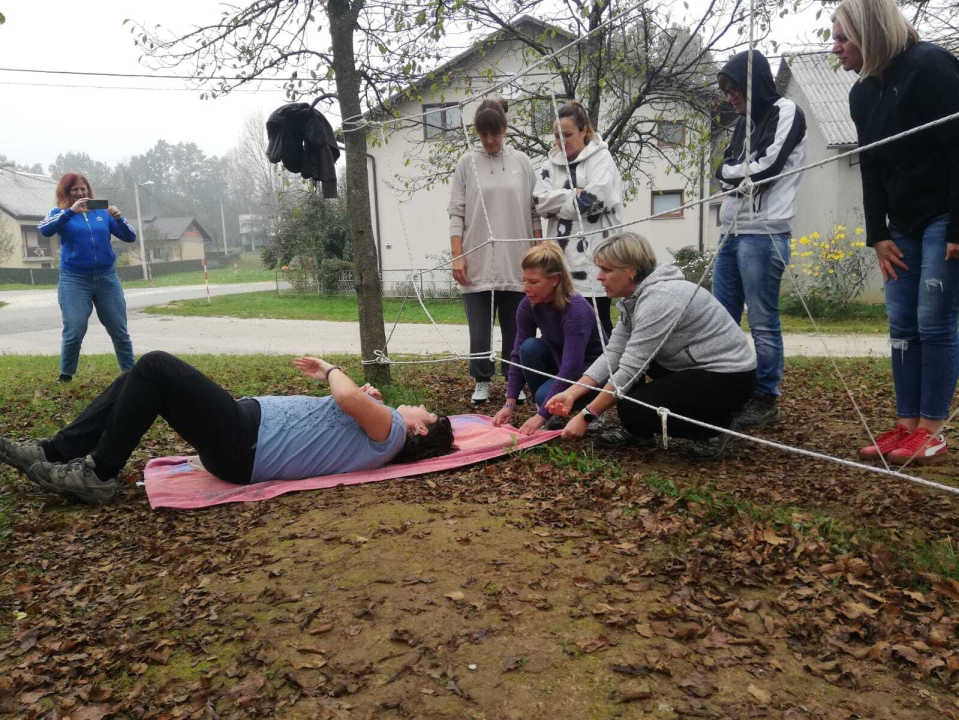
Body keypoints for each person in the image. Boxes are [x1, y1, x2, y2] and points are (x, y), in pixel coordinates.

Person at [0, 351, 455, 505]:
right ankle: (56, 451)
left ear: (419, 432)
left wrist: (333, 371)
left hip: (245, 441)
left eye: (426, 412)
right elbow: (346, 407)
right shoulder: (384, 430)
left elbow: (346, 398)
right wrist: (352, 396)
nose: (418, 406)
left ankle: (98, 474)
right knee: (139, 378)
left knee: (157, 365)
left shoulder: (394, 432)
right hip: (241, 442)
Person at [834, 0, 959, 465]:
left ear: (871, 34)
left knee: (934, 319)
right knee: (902, 324)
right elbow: (870, 164)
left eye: (843, 38)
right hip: (900, 225)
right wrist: (876, 233)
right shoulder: (862, 93)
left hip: (944, 216)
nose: (836, 48)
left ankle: (932, 430)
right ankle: (906, 426)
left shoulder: (931, 67)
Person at [545, 232, 756, 460]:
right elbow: (614, 354)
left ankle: (714, 427)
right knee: (631, 397)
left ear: (631, 271)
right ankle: (639, 431)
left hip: (729, 377)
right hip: (692, 365)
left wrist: (587, 415)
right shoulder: (633, 299)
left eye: (606, 269)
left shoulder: (660, 299)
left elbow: (630, 369)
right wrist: (571, 393)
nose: (599, 277)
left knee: (633, 408)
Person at [712, 50, 807, 428]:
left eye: (734, 88)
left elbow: (767, 166)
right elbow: (722, 173)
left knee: (763, 321)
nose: (730, 96)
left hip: (764, 233)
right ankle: (729, 387)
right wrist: (733, 173)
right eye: (726, 90)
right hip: (730, 232)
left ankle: (767, 396)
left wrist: (732, 173)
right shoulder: (740, 124)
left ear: (754, 83)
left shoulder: (786, 112)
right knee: (721, 318)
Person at [448, 98, 542, 405]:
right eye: (483, 133)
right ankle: (481, 380)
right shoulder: (466, 163)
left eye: (496, 132)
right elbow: (456, 213)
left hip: (517, 262)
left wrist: (540, 253)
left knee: (518, 330)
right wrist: (457, 254)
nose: (490, 140)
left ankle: (516, 381)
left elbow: (534, 211)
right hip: (476, 260)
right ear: (476, 131)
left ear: (505, 129)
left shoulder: (522, 162)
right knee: (479, 332)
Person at [491, 243, 606, 435]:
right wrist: (509, 404)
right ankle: (548, 409)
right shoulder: (528, 305)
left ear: (555, 280)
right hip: (562, 361)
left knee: (545, 395)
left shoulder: (576, 310)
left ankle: (593, 408)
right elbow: (517, 354)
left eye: (533, 282)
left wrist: (541, 415)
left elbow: (572, 367)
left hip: (593, 371)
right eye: (524, 281)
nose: (526, 288)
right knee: (528, 348)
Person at [534, 100, 624, 338]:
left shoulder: (601, 159)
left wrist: (559, 208)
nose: (562, 141)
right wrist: (574, 194)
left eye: (568, 134)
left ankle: (607, 375)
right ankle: (563, 374)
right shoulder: (550, 165)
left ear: (584, 130)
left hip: (596, 264)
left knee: (598, 329)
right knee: (560, 331)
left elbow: (596, 197)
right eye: (556, 136)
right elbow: (539, 202)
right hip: (561, 265)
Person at [38, 173, 138, 383]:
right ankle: (66, 375)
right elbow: (45, 230)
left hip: (107, 278)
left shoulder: (102, 213)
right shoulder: (59, 213)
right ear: (66, 192)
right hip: (74, 279)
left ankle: (131, 375)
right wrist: (70, 213)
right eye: (75, 190)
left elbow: (130, 237)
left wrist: (119, 217)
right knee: (74, 328)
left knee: (119, 328)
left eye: (83, 189)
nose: (80, 193)